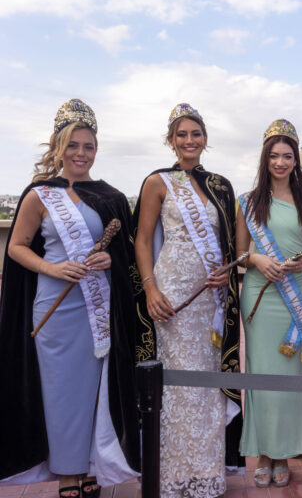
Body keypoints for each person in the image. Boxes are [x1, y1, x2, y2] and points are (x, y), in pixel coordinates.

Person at [0, 99, 147, 497]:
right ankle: (67, 473)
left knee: (96, 391)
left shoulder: (110, 197)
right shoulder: (39, 195)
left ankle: (92, 465)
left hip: (97, 306)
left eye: (88, 147)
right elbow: (17, 247)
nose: (81, 154)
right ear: (59, 147)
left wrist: (107, 259)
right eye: (73, 146)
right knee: (62, 392)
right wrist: (53, 268)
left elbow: (127, 255)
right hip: (55, 308)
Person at [134, 103, 243, 498]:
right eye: (181, 134)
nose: (189, 141)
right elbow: (143, 239)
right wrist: (150, 288)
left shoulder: (220, 185)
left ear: (205, 139)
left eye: (195, 134)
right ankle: (172, 476)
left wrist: (227, 270)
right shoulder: (157, 182)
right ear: (171, 140)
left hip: (208, 298)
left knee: (205, 384)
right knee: (175, 385)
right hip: (171, 294)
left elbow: (231, 244)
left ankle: (206, 475)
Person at [236, 119, 302, 487]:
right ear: (265, 159)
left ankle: (283, 453)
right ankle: (263, 452)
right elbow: (239, 253)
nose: (282, 162)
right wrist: (257, 260)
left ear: (295, 161)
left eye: (288, 156)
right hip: (259, 296)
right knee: (261, 378)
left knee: (288, 378)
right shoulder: (248, 202)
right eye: (275, 155)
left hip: (295, 297)